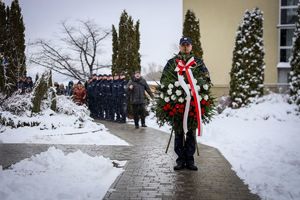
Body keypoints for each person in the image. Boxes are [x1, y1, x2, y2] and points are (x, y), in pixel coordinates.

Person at [160, 36, 211, 171]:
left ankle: (190, 159)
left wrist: (200, 90)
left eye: (188, 45)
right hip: (177, 105)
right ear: (179, 46)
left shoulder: (198, 63)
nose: (185, 47)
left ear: (191, 47)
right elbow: (164, 80)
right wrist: (170, 95)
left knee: (191, 133)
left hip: (193, 104)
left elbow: (207, 79)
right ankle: (180, 160)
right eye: (183, 44)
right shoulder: (172, 63)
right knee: (179, 132)